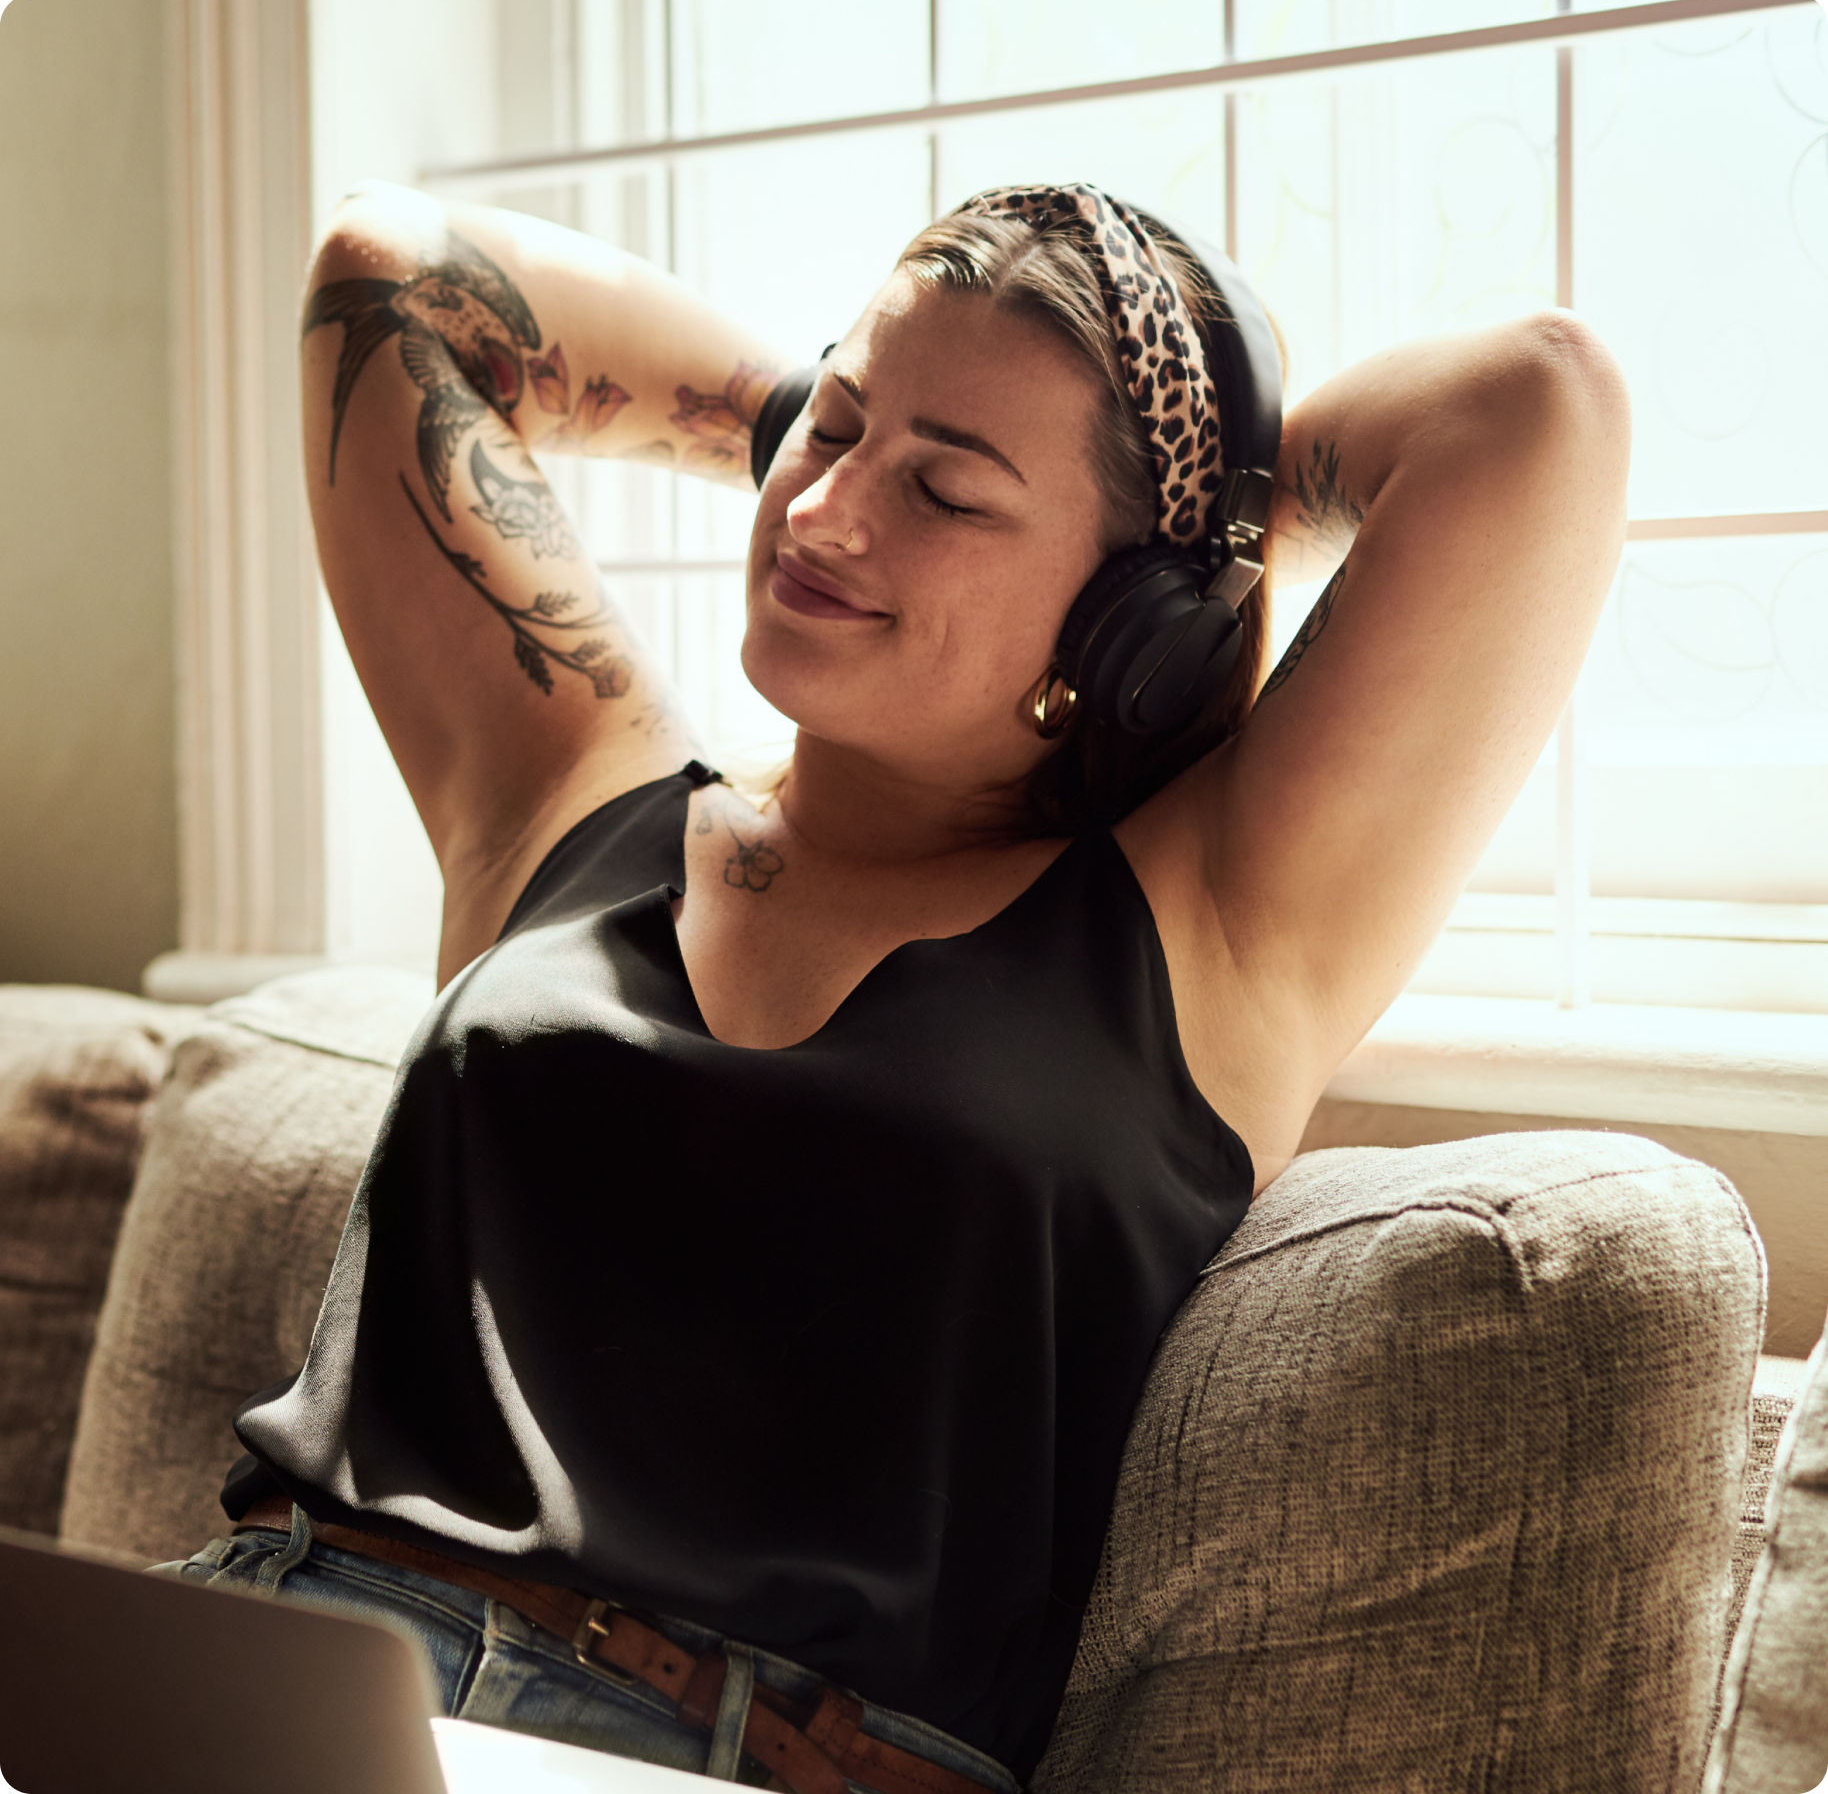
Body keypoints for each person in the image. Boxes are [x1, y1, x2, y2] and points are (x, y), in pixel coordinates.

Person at [156, 180, 1629, 1792]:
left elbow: (1536, 406)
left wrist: (1196, 517)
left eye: (945, 491)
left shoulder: (1210, 930)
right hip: (281, 1653)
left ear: (1129, 616)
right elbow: (401, 282)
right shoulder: (567, 793)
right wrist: (850, 413)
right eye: (833, 426)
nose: (825, 513)